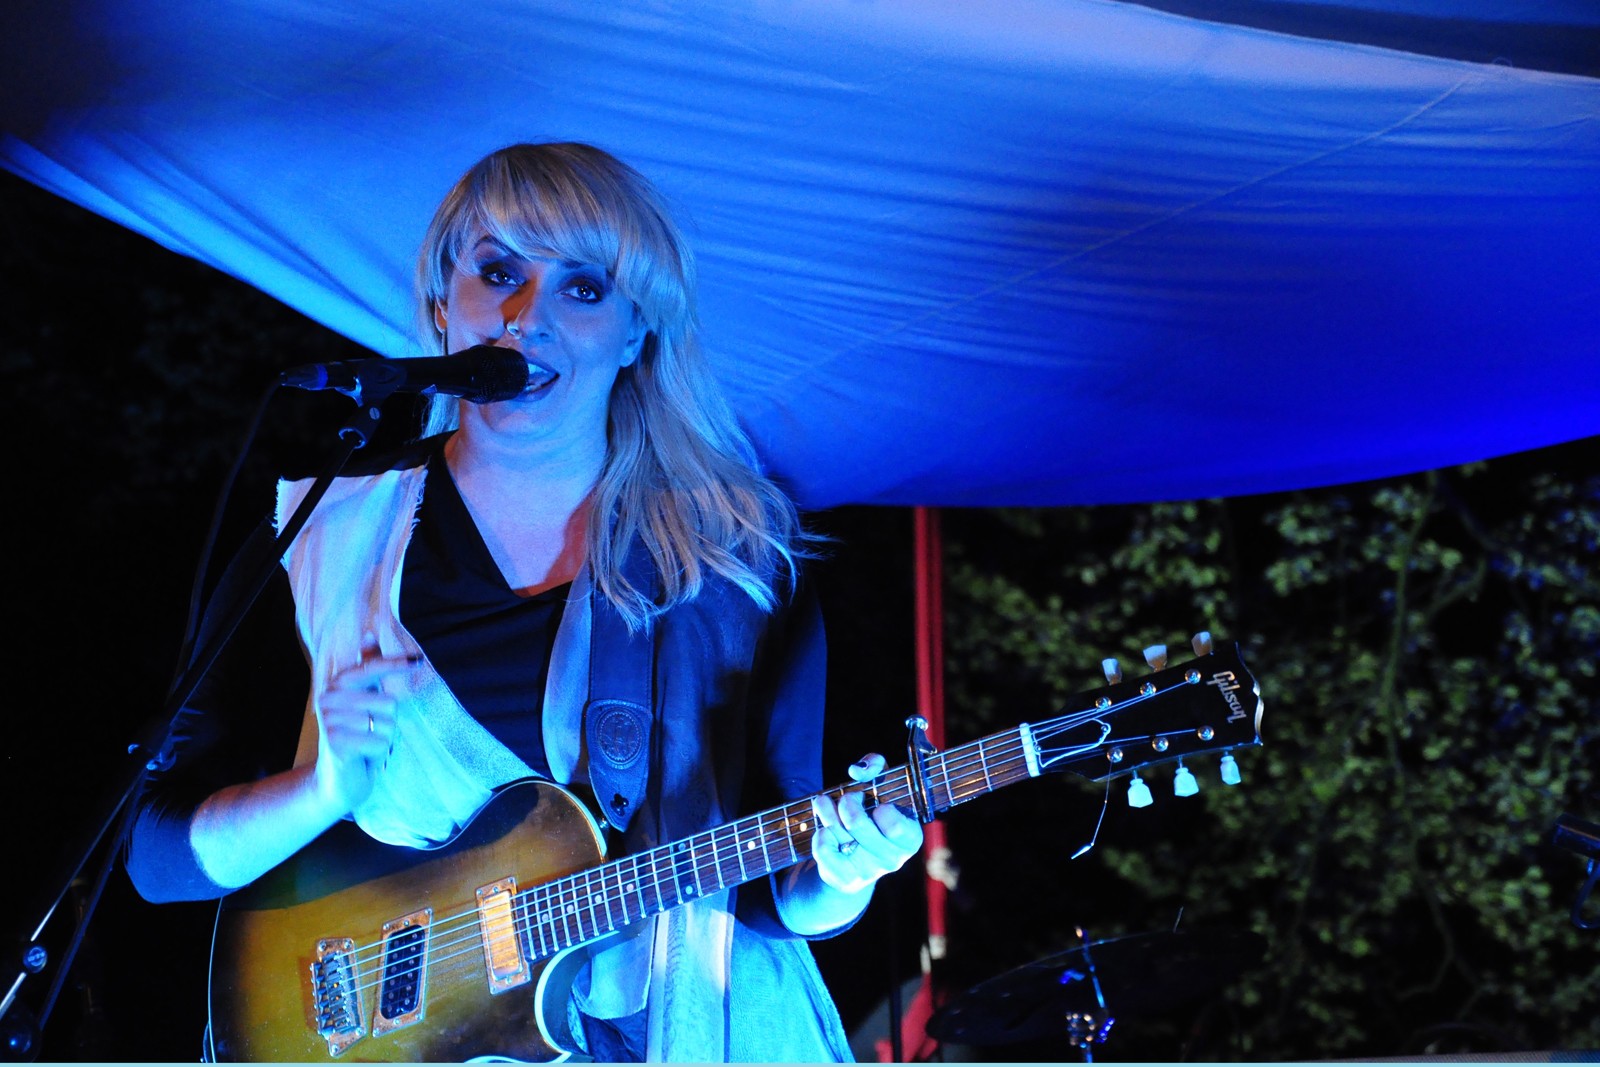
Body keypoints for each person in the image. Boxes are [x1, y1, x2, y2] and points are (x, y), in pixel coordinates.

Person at [126, 141, 923, 1061]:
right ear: (440, 303)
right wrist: (316, 793)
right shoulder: (317, 530)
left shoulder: (739, 561)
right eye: (497, 272)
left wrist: (847, 871)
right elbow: (154, 856)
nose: (523, 318)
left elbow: (776, 887)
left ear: (635, 335)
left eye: (581, 288)